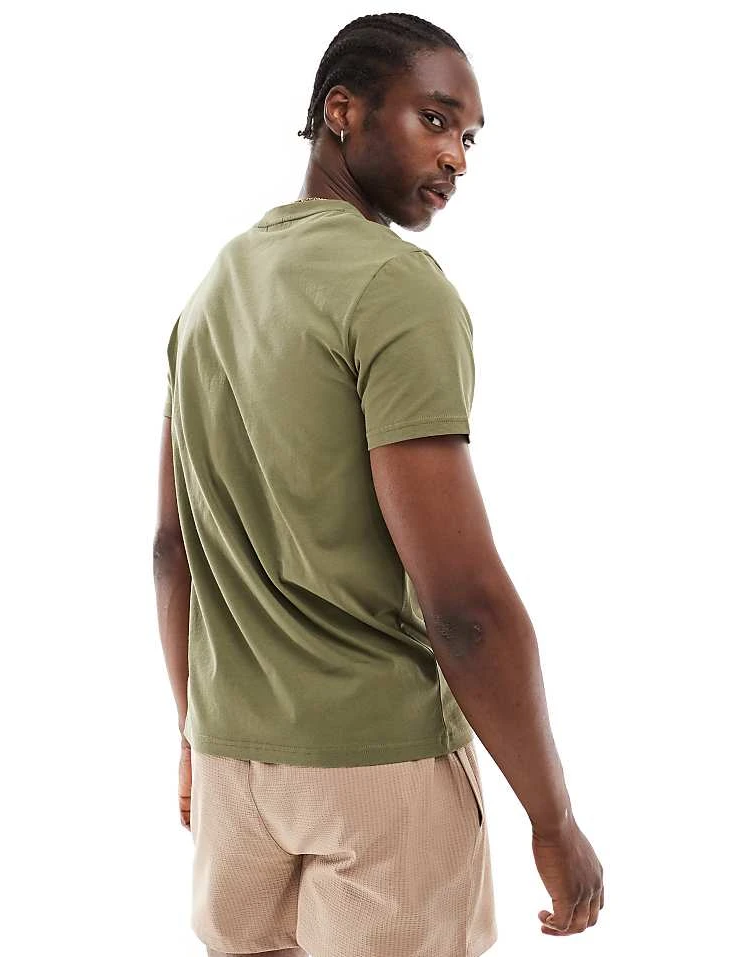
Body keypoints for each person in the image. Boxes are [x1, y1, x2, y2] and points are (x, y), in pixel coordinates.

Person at [153, 12, 604, 957]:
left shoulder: (211, 293)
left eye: (469, 137)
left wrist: (195, 733)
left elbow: (171, 549)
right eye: (435, 120)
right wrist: (554, 820)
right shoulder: (395, 289)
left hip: (237, 772)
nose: (458, 158)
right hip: (380, 774)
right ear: (342, 111)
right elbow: (465, 606)